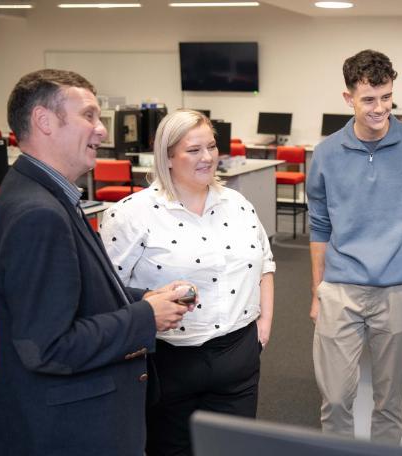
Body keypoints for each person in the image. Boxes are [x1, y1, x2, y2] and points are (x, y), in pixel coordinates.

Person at [0, 69, 192, 455]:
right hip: (68, 431)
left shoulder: (39, 192)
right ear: (44, 121)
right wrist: (146, 316)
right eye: (89, 116)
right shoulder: (39, 212)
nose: (102, 130)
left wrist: (142, 297)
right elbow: (47, 346)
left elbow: (71, 294)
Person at [100, 109, 275, 456]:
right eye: (194, 150)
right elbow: (108, 291)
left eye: (211, 146)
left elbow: (265, 263)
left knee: (233, 449)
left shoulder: (237, 204)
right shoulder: (132, 214)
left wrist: (263, 327)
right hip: (168, 361)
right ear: (167, 155)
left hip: (237, 353)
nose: (207, 157)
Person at [307, 49, 402, 444]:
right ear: (347, 98)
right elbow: (319, 227)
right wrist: (317, 292)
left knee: (389, 402)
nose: (380, 108)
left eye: (386, 97)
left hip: (398, 292)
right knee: (335, 399)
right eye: (369, 99)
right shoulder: (325, 154)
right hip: (340, 289)